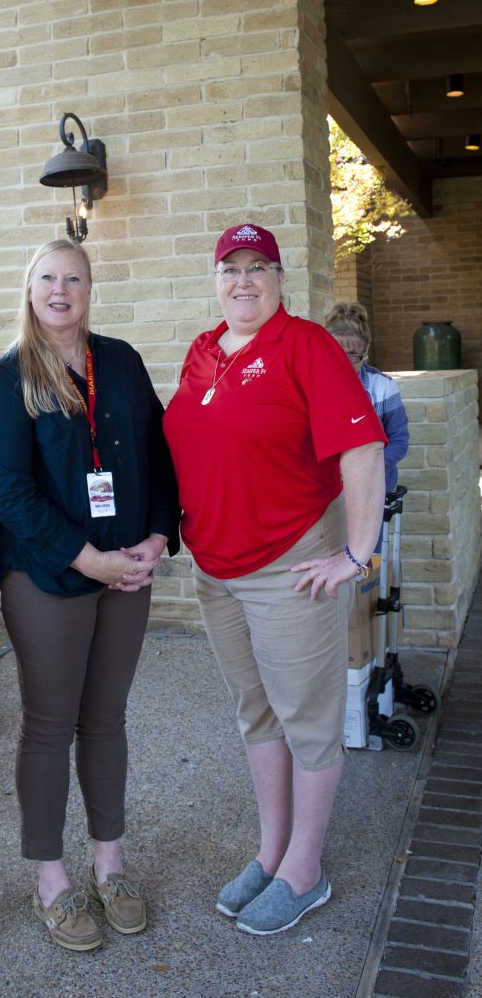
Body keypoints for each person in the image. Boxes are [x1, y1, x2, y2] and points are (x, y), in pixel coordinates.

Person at [162, 224, 387, 936]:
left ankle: (305, 870)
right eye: (231, 268)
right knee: (255, 712)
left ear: (281, 279)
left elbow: (362, 448)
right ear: (216, 279)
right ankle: (271, 853)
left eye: (259, 268)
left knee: (307, 719)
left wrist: (355, 554)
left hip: (289, 564)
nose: (244, 281)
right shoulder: (203, 351)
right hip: (216, 568)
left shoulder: (308, 347)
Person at [0, 238, 179, 952]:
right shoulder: (8, 378)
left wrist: (158, 535)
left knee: (108, 719)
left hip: (127, 570)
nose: (60, 291)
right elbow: (8, 491)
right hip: (48, 575)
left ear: (90, 288)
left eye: (73, 279)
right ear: (29, 289)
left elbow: (160, 451)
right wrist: (85, 558)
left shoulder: (119, 362)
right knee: (50, 724)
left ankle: (110, 867)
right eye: (47, 279)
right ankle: (52, 880)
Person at [325, 302, 410, 496]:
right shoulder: (311, 385)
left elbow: (399, 440)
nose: (343, 362)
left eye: (353, 354)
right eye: (335, 353)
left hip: (374, 485)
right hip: (327, 489)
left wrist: (367, 468)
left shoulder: (383, 387)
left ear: (366, 351)